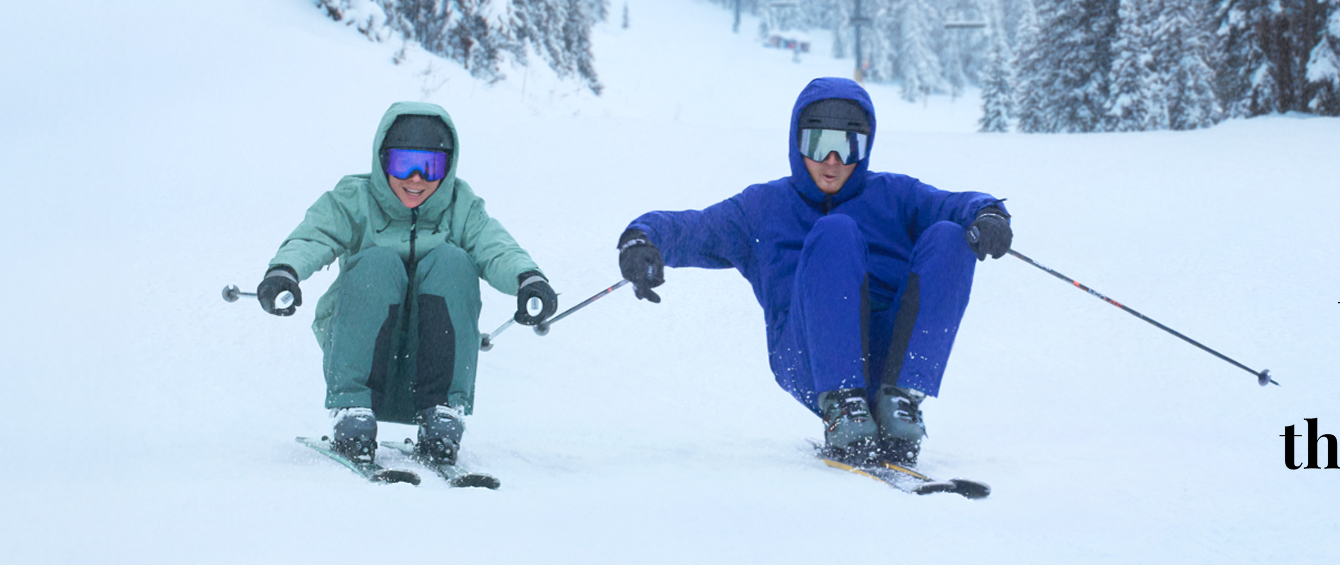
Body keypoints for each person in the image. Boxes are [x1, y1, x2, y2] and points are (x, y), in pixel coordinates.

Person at [614, 78, 1012, 467]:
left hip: (891, 352)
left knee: (950, 236)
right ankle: (843, 405)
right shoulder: (764, 207)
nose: (832, 161)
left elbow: (956, 204)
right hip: (809, 356)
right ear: (796, 141)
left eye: (848, 146)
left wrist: (989, 214)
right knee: (835, 232)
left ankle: (901, 400)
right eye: (818, 144)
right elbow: (691, 228)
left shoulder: (895, 195)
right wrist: (642, 239)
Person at [254, 102, 559, 465]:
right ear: (382, 162)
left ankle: (443, 412)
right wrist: (285, 271)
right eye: (403, 164)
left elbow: (496, 247)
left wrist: (528, 279)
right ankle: (352, 409)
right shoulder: (355, 199)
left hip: (432, 346)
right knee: (377, 262)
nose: (416, 179)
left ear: (447, 169)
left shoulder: (460, 205)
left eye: (431, 167)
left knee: (453, 261)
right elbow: (313, 236)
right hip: (361, 343)